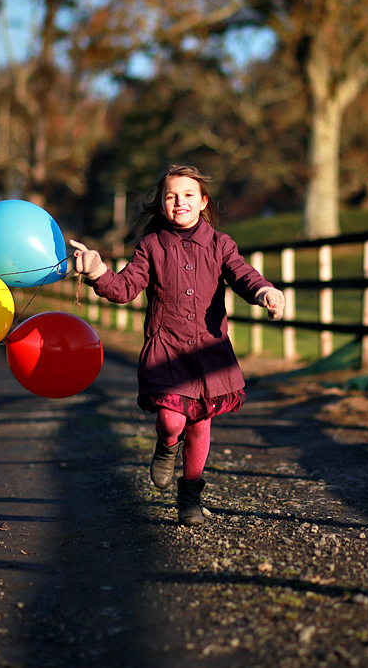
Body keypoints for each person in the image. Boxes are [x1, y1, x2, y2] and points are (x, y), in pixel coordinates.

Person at [69, 165, 284, 526]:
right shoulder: (151, 246)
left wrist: (265, 291)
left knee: (200, 424)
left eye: (187, 195)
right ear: (161, 204)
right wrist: (97, 272)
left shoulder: (220, 244)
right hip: (166, 350)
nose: (178, 202)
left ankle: (189, 497)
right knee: (171, 419)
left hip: (209, 353)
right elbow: (124, 289)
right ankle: (167, 445)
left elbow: (243, 274)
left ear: (203, 202)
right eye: (170, 196)